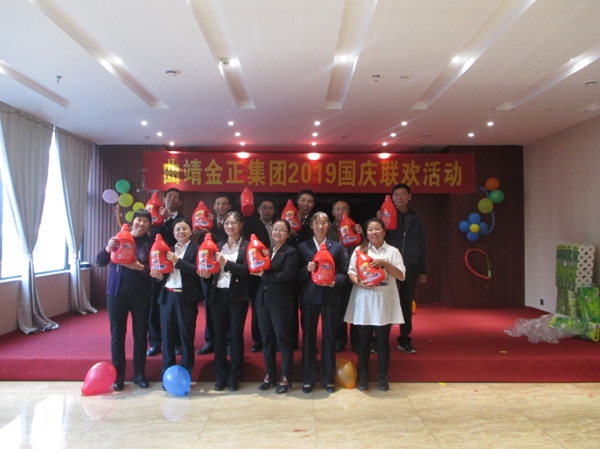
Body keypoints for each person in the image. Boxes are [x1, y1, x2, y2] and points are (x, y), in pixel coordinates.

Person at [345, 217, 406, 391]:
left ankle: (382, 377)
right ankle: (363, 377)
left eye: (377, 229)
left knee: (382, 341)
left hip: (384, 302)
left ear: (384, 232)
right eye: (370, 229)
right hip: (364, 300)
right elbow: (351, 272)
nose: (374, 232)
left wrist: (385, 263)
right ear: (366, 232)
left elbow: (401, 275)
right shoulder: (359, 250)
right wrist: (359, 283)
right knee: (363, 342)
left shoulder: (393, 251)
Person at [95, 209, 154, 391]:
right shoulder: (119, 238)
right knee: (117, 335)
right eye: (138, 219)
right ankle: (118, 376)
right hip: (116, 293)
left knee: (140, 335)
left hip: (141, 295)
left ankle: (139, 373)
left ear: (149, 225)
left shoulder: (151, 243)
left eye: (145, 221)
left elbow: (155, 270)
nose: (141, 223)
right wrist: (108, 248)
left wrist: (138, 267)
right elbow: (100, 261)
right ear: (132, 221)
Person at [199, 211, 251, 392]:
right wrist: (205, 276)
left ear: (241, 225)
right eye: (227, 223)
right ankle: (220, 377)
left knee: (236, 337)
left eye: (233, 223)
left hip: (238, 296)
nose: (230, 226)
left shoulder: (248, 246)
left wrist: (226, 263)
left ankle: (234, 377)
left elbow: (248, 270)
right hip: (217, 295)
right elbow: (210, 270)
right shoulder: (216, 245)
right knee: (219, 338)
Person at [297, 212, 348, 393]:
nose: (320, 226)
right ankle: (308, 378)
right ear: (311, 225)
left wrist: (335, 281)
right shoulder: (302, 247)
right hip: (309, 298)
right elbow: (295, 275)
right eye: (316, 222)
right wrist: (306, 269)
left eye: (323, 222)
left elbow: (345, 273)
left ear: (328, 225)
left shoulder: (337, 247)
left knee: (329, 338)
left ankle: (328, 378)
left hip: (330, 298)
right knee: (308, 338)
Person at [150, 217, 201, 380]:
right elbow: (163, 274)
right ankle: (167, 374)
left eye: (184, 228)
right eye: (177, 229)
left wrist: (177, 261)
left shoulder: (198, 249)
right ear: (173, 232)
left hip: (186, 297)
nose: (181, 232)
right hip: (167, 296)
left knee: (186, 337)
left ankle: (185, 374)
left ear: (191, 231)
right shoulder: (167, 249)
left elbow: (197, 270)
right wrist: (158, 276)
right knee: (167, 338)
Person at [252, 219, 298, 394]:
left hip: (280, 302)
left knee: (283, 340)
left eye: (281, 230)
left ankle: (286, 378)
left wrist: (264, 275)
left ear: (288, 234)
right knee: (266, 340)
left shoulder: (291, 252)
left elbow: (287, 276)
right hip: (262, 301)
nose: (277, 232)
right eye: (275, 229)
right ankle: (269, 376)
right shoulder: (267, 250)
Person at [383, 183, 427, 354]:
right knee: (386, 301)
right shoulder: (385, 216)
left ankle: (404, 339)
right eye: (396, 194)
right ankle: (380, 340)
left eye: (403, 194)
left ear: (409, 197)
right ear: (392, 198)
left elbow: (422, 244)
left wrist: (423, 270)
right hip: (389, 266)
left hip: (410, 266)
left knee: (406, 304)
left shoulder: (416, 219)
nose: (399, 197)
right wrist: (380, 219)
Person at [148, 188, 185, 357]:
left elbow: (177, 239)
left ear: (180, 202)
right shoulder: (152, 217)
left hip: (172, 269)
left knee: (173, 308)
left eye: (176, 197)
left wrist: (168, 219)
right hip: (155, 268)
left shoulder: (182, 221)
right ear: (164, 199)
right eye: (169, 196)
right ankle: (155, 343)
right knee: (153, 307)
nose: (172, 199)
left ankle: (176, 342)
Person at [197, 194, 232, 356]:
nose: (220, 207)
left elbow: (227, 242)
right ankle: (210, 341)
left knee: (228, 310)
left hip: (225, 272)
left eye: (224, 204)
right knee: (209, 309)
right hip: (208, 272)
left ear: (229, 207)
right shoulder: (204, 220)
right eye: (218, 204)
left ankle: (229, 342)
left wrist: (210, 233)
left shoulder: (232, 222)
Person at [327, 200, 363, 352]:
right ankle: (339, 340)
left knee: (356, 307)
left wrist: (361, 234)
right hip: (338, 273)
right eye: (337, 209)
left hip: (355, 271)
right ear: (333, 212)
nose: (341, 212)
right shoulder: (328, 229)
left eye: (344, 209)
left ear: (348, 211)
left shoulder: (355, 227)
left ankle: (357, 341)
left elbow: (365, 248)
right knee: (339, 308)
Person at [243, 198, 277, 353]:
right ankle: (258, 340)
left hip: (275, 268)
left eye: (270, 208)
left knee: (274, 307)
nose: (267, 211)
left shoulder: (278, 225)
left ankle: (274, 339)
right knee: (258, 308)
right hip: (257, 271)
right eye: (264, 207)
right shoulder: (251, 226)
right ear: (258, 210)